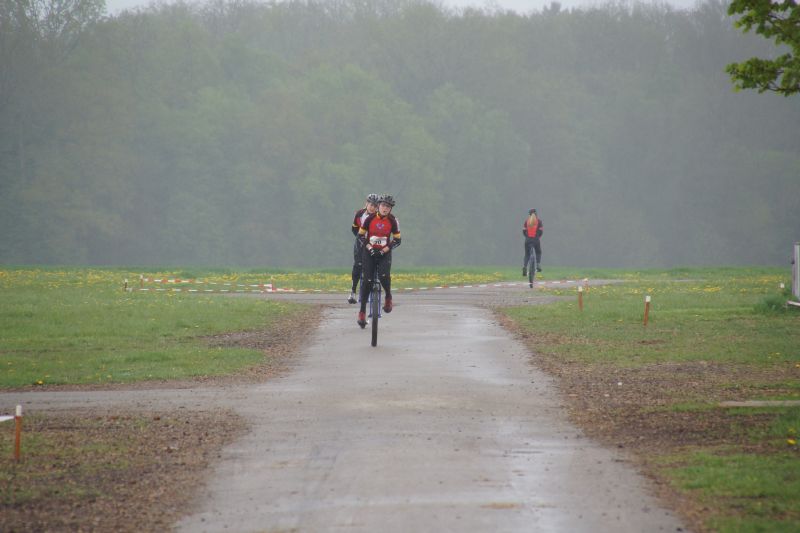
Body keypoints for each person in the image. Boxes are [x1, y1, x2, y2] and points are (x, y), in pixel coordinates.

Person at [356, 194, 401, 328]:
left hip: (384, 253)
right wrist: (369, 248)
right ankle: (362, 312)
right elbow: (360, 236)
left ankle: (388, 297)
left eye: (388, 207)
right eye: (383, 205)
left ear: (391, 209)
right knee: (367, 281)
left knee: (384, 276)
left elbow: (397, 240)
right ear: (378, 206)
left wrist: (384, 250)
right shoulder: (369, 218)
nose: (385, 209)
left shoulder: (393, 220)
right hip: (369, 252)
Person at [348, 193, 380, 304]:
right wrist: (361, 239)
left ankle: (372, 288)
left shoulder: (379, 216)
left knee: (374, 265)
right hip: (361, 244)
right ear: (366, 203)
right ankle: (353, 291)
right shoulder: (359, 214)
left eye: (375, 206)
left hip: (374, 243)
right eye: (371, 205)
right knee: (358, 265)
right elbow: (354, 229)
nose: (372, 208)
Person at [522, 208, 543, 277]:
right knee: (538, 252)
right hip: (536, 240)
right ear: (536, 214)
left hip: (527, 240)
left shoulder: (526, 221)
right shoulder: (539, 221)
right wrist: (538, 237)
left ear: (529, 214)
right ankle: (538, 265)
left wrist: (527, 237)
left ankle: (525, 266)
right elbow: (541, 232)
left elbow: (524, 231)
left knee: (527, 254)